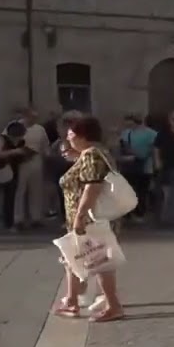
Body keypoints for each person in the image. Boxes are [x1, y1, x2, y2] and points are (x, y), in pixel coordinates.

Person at [52, 116, 124, 323]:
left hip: (89, 219)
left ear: (82, 135)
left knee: (99, 261)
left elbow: (92, 186)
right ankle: (72, 301)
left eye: (71, 134)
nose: (68, 138)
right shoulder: (92, 153)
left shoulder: (92, 155)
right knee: (72, 258)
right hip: (84, 218)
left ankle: (113, 305)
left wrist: (81, 216)